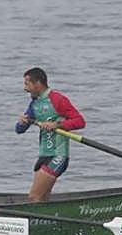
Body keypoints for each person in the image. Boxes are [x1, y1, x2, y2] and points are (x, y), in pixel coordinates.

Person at [15, 67, 86, 202]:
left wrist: (57, 125)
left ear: (38, 83)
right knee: (42, 198)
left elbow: (80, 121)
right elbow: (19, 130)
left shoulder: (58, 99)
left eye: (27, 84)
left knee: (33, 197)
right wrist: (22, 122)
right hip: (43, 155)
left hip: (58, 156)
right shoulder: (34, 104)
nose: (25, 88)